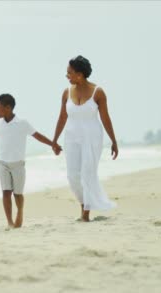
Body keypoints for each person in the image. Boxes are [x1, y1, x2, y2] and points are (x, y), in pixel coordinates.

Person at [0, 94, 62, 228]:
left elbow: (37, 135)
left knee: (17, 194)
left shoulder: (22, 123)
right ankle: (9, 222)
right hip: (3, 163)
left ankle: (20, 213)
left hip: (18, 164)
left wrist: (53, 144)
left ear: (8, 107)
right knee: (6, 192)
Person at [52, 55, 118, 222]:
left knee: (88, 174)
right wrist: (54, 140)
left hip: (92, 137)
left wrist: (113, 141)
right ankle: (84, 204)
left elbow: (105, 118)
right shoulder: (66, 92)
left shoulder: (98, 92)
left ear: (79, 75)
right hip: (71, 137)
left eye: (69, 72)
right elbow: (62, 117)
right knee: (73, 176)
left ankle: (86, 213)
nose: (66, 76)